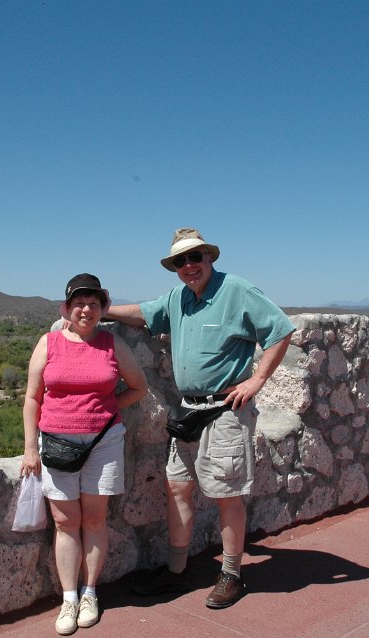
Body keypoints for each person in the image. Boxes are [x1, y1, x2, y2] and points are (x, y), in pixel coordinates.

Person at [106, 228, 295, 609]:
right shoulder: (178, 298)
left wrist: (257, 379)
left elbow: (280, 330)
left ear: (209, 257)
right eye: (181, 261)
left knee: (227, 495)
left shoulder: (237, 290)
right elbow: (143, 314)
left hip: (225, 410)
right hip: (189, 410)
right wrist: (100, 309)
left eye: (195, 257)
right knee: (178, 487)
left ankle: (232, 575)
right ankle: (177, 571)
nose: (189, 266)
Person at [21, 273, 148, 636]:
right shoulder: (48, 343)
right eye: (79, 303)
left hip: (103, 443)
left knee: (94, 519)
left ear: (103, 308)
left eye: (93, 303)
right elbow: (32, 397)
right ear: (67, 308)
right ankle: (69, 598)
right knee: (65, 522)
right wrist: (30, 448)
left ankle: (89, 593)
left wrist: (104, 411)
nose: (86, 310)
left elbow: (139, 387)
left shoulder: (112, 344)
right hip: (56, 443)